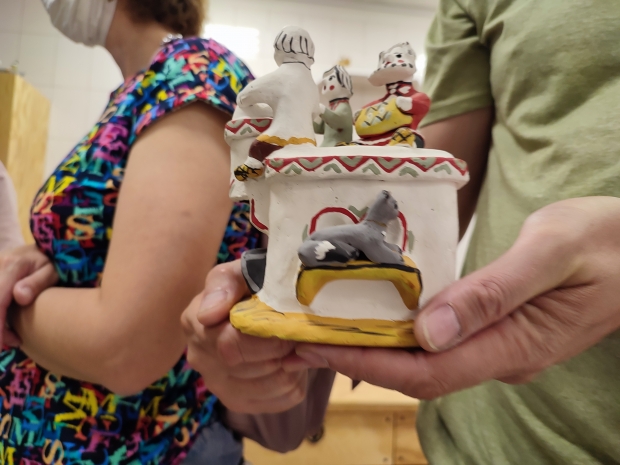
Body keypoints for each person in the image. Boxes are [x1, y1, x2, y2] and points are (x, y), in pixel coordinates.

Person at [196, 1, 620, 464]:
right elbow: (426, 185)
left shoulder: (346, 98)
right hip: (472, 436)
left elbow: (422, 180)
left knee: (276, 176)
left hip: (514, 392)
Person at [0, 0, 333, 463]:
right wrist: (46, 260)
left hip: (144, 445)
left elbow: (127, 347)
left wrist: (12, 309)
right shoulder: (144, 88)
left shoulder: (194, 74)